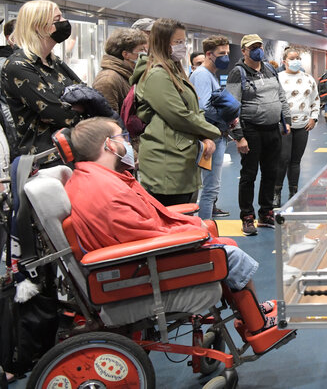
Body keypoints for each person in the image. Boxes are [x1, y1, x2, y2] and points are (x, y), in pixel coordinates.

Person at [64, 117, 283, 331]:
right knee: (229, 255)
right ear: (109, 144)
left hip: (137, 258)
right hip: (140, 265)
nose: (127, 143)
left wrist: (189, 227)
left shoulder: (99, 179)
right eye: (121, 137)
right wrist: (192, 231)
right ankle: (257, 326)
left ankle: (252, 311)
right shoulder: (106, 190)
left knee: (221, 243)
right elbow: (143, 235)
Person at [130, 18, 220, 206]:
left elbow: (193, 108)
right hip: (166, 164)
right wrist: (213, 131)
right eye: (177, 42)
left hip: (180, 158)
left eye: (183, 42)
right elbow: (179, 116)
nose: (183, 46)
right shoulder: (157, 74)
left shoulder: (175, 71)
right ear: (163, 43)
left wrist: (205, 137)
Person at [1, 0, 82, 162]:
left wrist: (78, 106)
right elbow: (57, 113)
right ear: (38, 26)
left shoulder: (54, 61)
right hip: (47, 159)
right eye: (57, 20)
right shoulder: (18, 65)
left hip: (75, 150)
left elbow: (86, 93)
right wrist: (76, 108)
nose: (64, 23)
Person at [226, 34, 290, 235]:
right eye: (253, 47)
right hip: (251, 130)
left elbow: (281, 96)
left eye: (260, 46)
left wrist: (285, 120)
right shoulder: (238, 73)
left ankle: (266, 212)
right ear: (244, 51)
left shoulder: (270, 69)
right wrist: (239, 136)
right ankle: (247, 216)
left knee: (271, 172)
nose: (258, 50)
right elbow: (231, 107)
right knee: (249, 175)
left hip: (273, 129)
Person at [189, 35, 233, 220]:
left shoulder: (210, 75)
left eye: (227, 53)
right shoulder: (201, 75)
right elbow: (204, 108)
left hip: (217, 135)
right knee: (209, 190)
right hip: (210, 136)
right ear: (209, 54)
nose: (225, 57)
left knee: (212, 188)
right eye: (221, 53)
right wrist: (227, 115)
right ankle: (205, 231)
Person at [274, 47, 319, 206]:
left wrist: (314, 118)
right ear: (284, 61)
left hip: (303, 125)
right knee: (283, 159)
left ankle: (293, 191)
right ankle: (276, 192)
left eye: (298, 58)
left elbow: (315, 99)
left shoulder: (308, 78)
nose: (296, 61)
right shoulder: (277, 78)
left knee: (295, 161)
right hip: (284, 125)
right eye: (292, 58)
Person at [92, 28, 147, 114]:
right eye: (141, 50)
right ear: (126, 54)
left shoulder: (128, 75)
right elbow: (107, 120)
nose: (145, 53)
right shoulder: (107, 81)